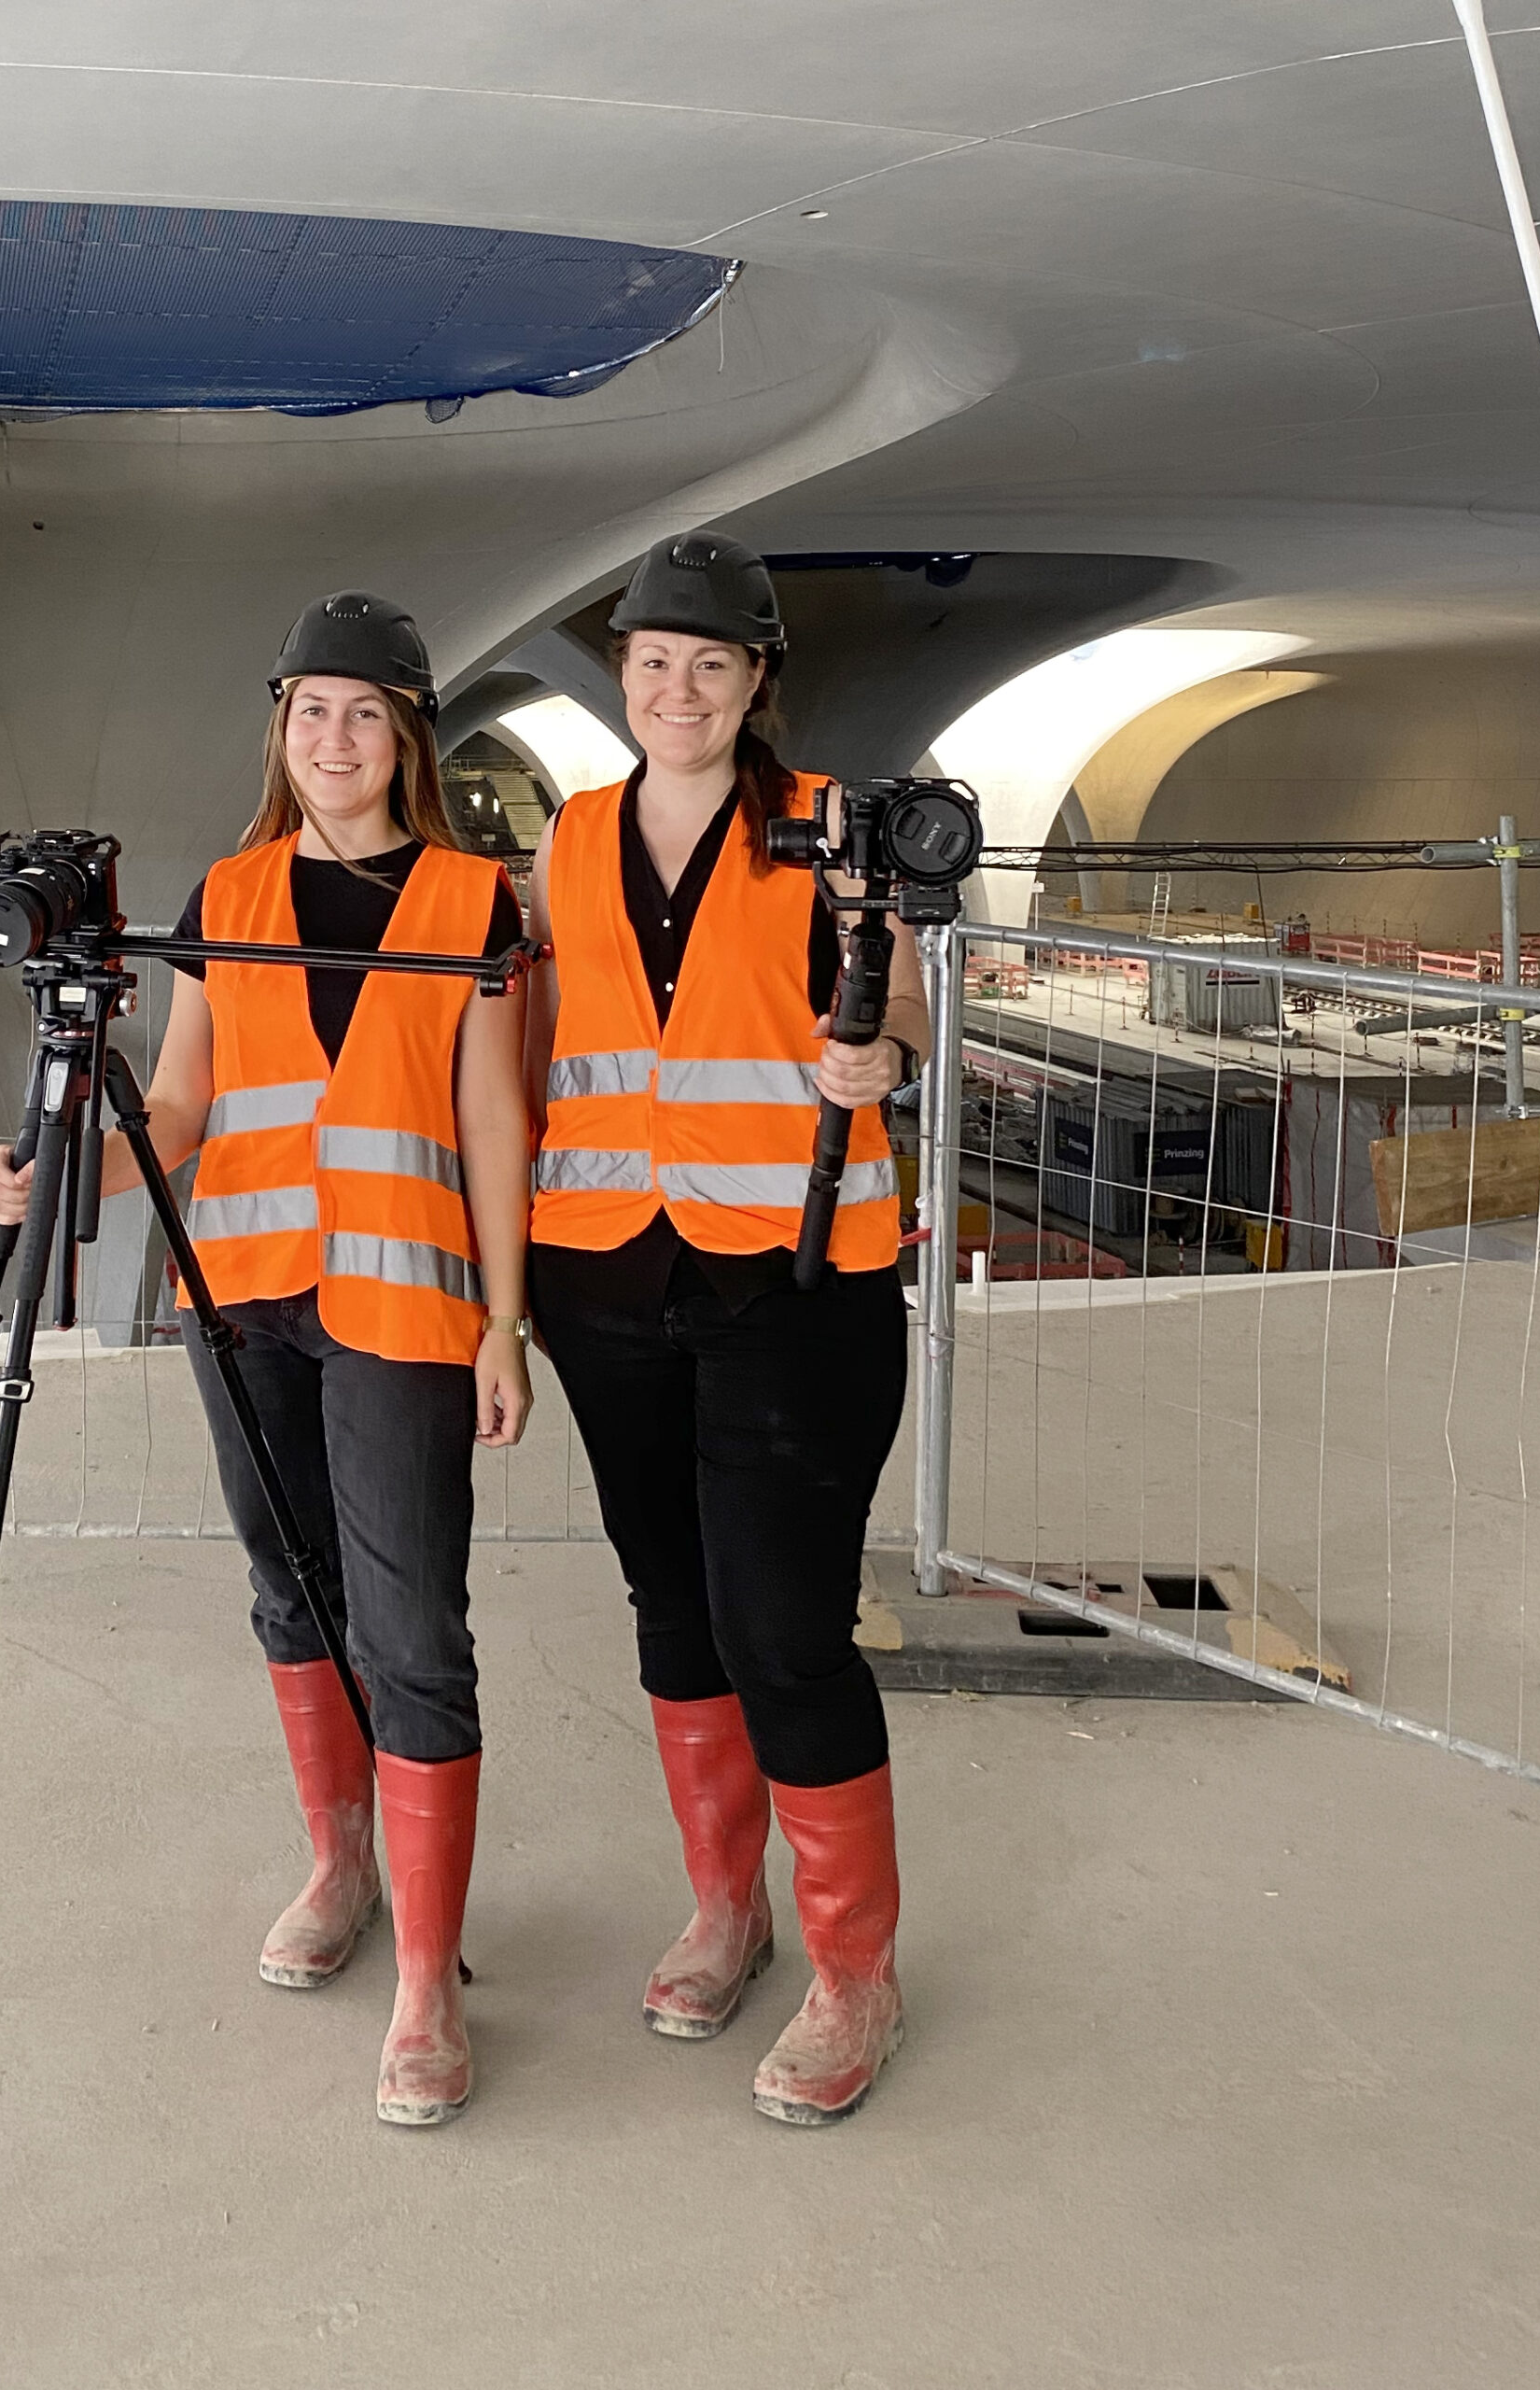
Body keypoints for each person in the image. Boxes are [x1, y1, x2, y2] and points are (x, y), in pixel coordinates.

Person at [0, 591, 533, 2128]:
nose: (335, 739)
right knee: (291, 1584)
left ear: (408, 735)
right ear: (280, 732)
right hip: (245, 1297)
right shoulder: (229, 892)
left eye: (366, 713)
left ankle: (427, 1976)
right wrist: (60, 1169)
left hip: (410, 1305)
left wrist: (507, 1317)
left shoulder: (479, 904)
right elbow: (180, 1113)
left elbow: (497, 1118)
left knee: (413, 1617)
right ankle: (341, 1863)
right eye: (310, 713)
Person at [524, 531, 929, 2127]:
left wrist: (881, 1062)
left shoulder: (837, 828)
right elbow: (551, 1038)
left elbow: (892, 1001)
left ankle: (855, 1970)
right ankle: (727, 1909)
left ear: (759, 681)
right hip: (607, 1274)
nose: (675, 688)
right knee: (672, 1605)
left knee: (786, 1630)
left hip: (796, 1279)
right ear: (620, 677)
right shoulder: (568, 837)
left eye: (709, 663)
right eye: (649, 662)